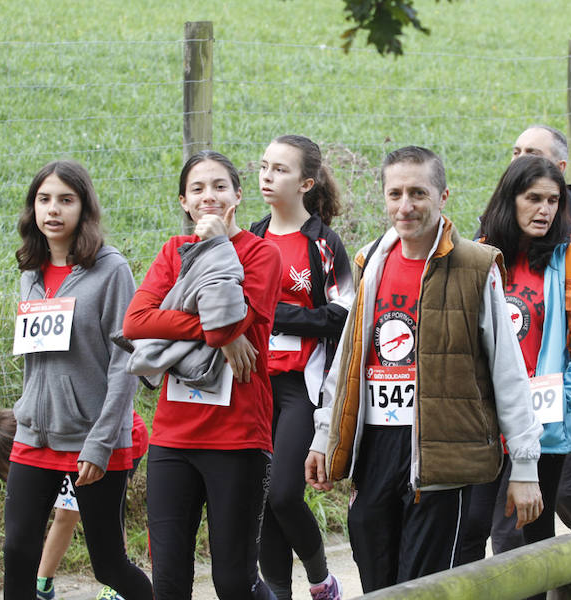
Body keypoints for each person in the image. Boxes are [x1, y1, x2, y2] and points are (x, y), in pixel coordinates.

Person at [304, 146, 543, 593]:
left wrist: (525, 466)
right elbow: (348, 361)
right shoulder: (370, 260)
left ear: (443, 196)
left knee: (423, 588)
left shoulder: (476, 267)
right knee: (377, 580)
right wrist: (324, 435)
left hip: (440, 456)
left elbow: (508, 372)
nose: (406, 206)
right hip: (375, 450)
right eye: (395, 193)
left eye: (418, 193)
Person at [460, 126, 571, 600]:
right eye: (533, 199)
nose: (544, 210)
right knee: (473, 527)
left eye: (553, 201)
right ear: (510, 201)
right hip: (485, 419)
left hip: (544, 421)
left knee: (530, 532)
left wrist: (557, 395)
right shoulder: (480, 257)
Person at [122, 150, 281, 599]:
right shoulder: (172, 251)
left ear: (238, 196)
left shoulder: (262, 254)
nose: (208, 196)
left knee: (234, 581)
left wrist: (216, 247)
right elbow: (136, 322)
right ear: (184, 202)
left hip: (238, 436)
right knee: (169, 580)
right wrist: (210, 331)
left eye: (219, 186)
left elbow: (231, 322)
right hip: (173, 437)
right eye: (197, 189)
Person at [4, 161, 152, 600]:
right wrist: (27, 410)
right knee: (17, 551)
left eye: (65, 200)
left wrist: (100, 442)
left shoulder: (112, 270)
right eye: (44, 199)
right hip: (35, 435)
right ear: (33, 208)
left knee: (108, 564)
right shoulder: (31, 270)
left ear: (84, 208)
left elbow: (125, 364)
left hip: (93, 439)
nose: (53, 209)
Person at [248, 135, 353, 600]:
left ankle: (321, 580)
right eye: (264, 167)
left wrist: (276, 314)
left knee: (284, 493)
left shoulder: (324, 243)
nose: (267, 176)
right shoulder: (251, 236)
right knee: (261, 499)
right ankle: (277, 592)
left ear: (306, 183)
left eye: (280, 169)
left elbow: (343, 314)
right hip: (253, 384)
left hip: (300, 386)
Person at [0, 409, 148, 600]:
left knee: (107, 512)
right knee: (66, 512)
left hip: (121, 437)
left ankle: (117, 587)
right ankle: (43, 583)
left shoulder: (52, 432)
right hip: (77, 443)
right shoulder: (40, 426)